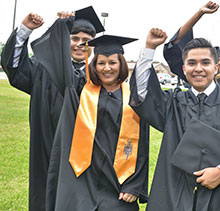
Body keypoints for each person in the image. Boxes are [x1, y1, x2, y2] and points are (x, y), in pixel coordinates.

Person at [130, 29, 220, 210]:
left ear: (216, 67)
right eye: (192, 63)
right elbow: (142, 95)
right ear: (184, 68)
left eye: (205, 62)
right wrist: (149, 48)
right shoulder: (175, 102)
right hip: (177, 193)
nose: (198, 68)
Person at [0, 6, 104, 211]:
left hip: (87, 156)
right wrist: (24, 30)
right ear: (65, 40)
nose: (80, 44)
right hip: (48, 150)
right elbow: (13, 67)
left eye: (86, 40)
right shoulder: (42, 70)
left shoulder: (99, 77)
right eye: (74, 38)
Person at [42, 15, 149, 210]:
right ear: (94, 64)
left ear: (121, 64)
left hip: (117, 182)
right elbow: (58, 61)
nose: (107, 68)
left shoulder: (133, 99)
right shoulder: (79, 88)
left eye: (112, 63)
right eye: (101, 63)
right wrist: (63, 26)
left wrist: (134, 185)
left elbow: (142, 143)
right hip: (81, 179)